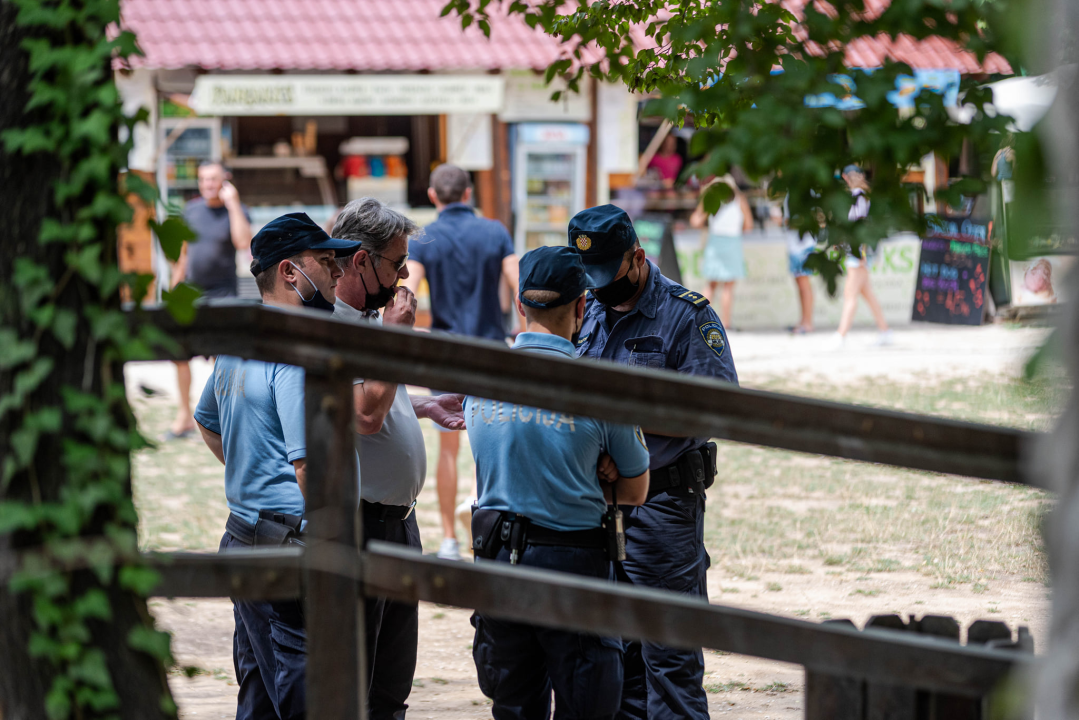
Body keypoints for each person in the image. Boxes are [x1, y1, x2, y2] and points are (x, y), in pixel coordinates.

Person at [466, 245, 651, 720]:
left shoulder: (479, 380)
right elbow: (635, 491)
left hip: (499, 561)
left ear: (521, 305)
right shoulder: (601, 387)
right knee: (588, 705)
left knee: (513, 706)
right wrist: (597, 470)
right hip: (575, 563)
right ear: (583, 306)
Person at [568, 204, 738, 720]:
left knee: (670, 657)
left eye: (608, 274)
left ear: (637, 257)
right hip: (599, 508)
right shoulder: (591, 308)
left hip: (662, 506)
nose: (599, 287)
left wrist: (620, 417)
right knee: (616, 661)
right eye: (590, 278)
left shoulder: (687, 313)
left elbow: (718, 406)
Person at [193, 212, 361, 720]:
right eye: (326, 262)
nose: (338, 273)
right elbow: (311, 464)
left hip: (245, 535)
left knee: (260, 694)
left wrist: (253, 473)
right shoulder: (294, 352)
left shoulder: (242, 339)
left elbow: (209, 423)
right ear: (290, 272)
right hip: (287, 545)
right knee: (305, 693)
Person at [329, 197, 466, 719]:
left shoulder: (370, 319)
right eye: (396, 261)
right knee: (358, 683)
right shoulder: (335, 325)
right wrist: (395, 338)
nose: (406, 273)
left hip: (398, 524)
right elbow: (364, 415)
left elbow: (381, 399)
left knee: (391, 684)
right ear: (360, 261)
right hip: (362, 524)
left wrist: (424, 406)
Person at [404, 163, 521, 561]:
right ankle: (487, 530)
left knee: (448, 448)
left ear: (434, 197)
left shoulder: (424, 237)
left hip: (446, 352)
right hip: (491, 352)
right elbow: (519, 285)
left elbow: (408, 290)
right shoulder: (495, 231)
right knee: (490, 447)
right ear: (469, 193)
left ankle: (450, 540)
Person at [167, 161, 253, 440]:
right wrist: (173, 288)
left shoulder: (236, 211)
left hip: (223, 295)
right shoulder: (190, 210)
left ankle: (226, 418)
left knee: (224, 360)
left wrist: (234, 203)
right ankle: (183, 416)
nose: (207, 185)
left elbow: (243, 244)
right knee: (179, 353)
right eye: (203, 179)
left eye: (213, 179)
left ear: (225, 180)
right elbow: (182, 255)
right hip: (191, 294)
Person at [832, 165, 892, 347]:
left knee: (851, 293)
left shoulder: (858, 196)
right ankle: (885, 331)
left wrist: (861, 253)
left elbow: (861, 227)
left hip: (859, 251)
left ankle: (840, 335)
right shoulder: (862, 195)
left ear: (845, 177)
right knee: (866, 293)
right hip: (859, 250)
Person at [690, 175, 754, 328]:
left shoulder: (711, 200)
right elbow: (749, 226)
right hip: (733, 241)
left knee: (711, 285)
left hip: (715, 241)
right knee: (728, 287)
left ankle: (700, 321)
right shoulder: (740, 200)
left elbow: (695, 222)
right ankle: (725, 323)